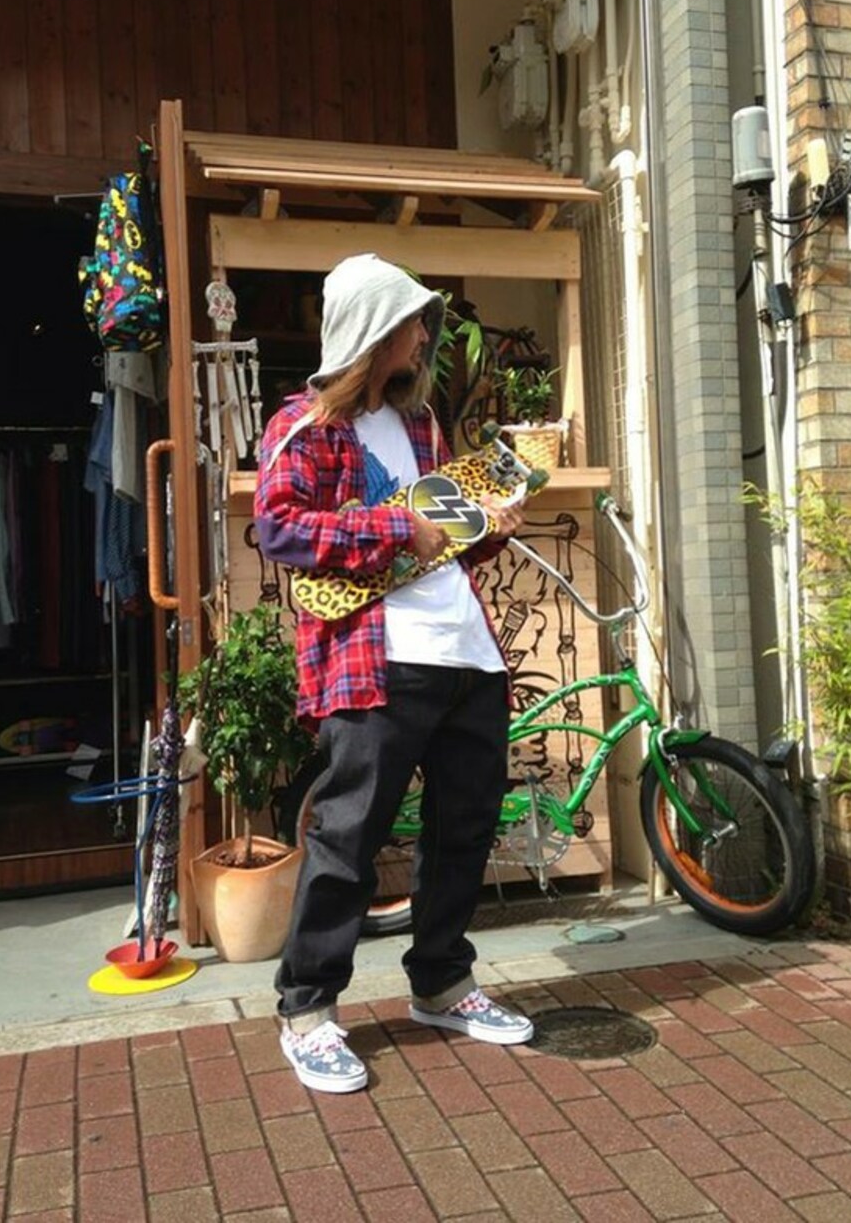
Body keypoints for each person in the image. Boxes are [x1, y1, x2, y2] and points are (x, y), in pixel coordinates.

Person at [255, 252, 534, 1094]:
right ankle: (307, 1010)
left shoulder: (422, 427)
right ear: (374, 331)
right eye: (413, 321)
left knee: (465, 827)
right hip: (376, 658)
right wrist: (389, 529)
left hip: (466, 651)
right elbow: (280, 527)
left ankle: (442, 984)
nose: (424, 335)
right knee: (349, 836)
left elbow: (439, 546)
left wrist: (488, 529)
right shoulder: (303, 424)